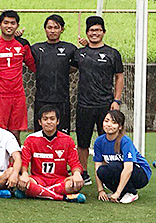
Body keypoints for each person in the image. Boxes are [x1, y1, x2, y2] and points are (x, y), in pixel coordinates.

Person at [73, 16, 124, 186]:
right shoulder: (80, 53)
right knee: (82, 141)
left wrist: (116, 100)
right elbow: (69, 67)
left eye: (98, 30)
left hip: (105, 104)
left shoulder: (112, 53)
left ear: (103, 32)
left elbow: (119, 77)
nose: (94, 33)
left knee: (109, 139)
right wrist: (83, 46)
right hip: (84, 104)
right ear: (87, 33)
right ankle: (84, 173)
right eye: (91, 30)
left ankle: (110, 172)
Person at [0, 10, 36, 143]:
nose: (9, 26)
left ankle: (15, 163)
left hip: (18, 96)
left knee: (15, 135)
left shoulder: (23, 44)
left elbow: (34, 66)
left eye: (12, 23)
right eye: (6, 23)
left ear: (17, 26)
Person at [17, 105, 85, 203]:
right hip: (38, 179)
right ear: (40, 122)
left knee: (76, 183)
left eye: (52, 119)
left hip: (60, 180)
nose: (49, 122)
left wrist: (77, 174)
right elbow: (24, 162)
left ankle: (36, 192)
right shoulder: (31, 139)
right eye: (45, 119)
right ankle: (63, 197)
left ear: (57, 121)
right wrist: (24, 174)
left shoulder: (67, 140)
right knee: (22, 181)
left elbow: (75, 163)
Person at [31, 14, 77, 134]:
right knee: (40, 135)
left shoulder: (70, 49)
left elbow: (76, 66)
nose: (52, 31)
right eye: (49, 27)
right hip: (42, 99)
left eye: (56, 27)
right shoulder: (36, 48)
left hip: (62, 99)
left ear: (62, 29)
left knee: (62, 136)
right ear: (45, 29)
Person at [94, 110, 150, 204]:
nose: (109, 124)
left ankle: (131, 193)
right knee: (102, 170)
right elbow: (97, 167)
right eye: (106, 121)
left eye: (114, 122)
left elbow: (129, 169)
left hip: (141, 173)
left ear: (120, 127)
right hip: (119, 168)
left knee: (113, 166)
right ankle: (122, 192)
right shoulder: (99, 141)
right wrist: (101, 190)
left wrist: (117, 192)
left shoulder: (125, 141)